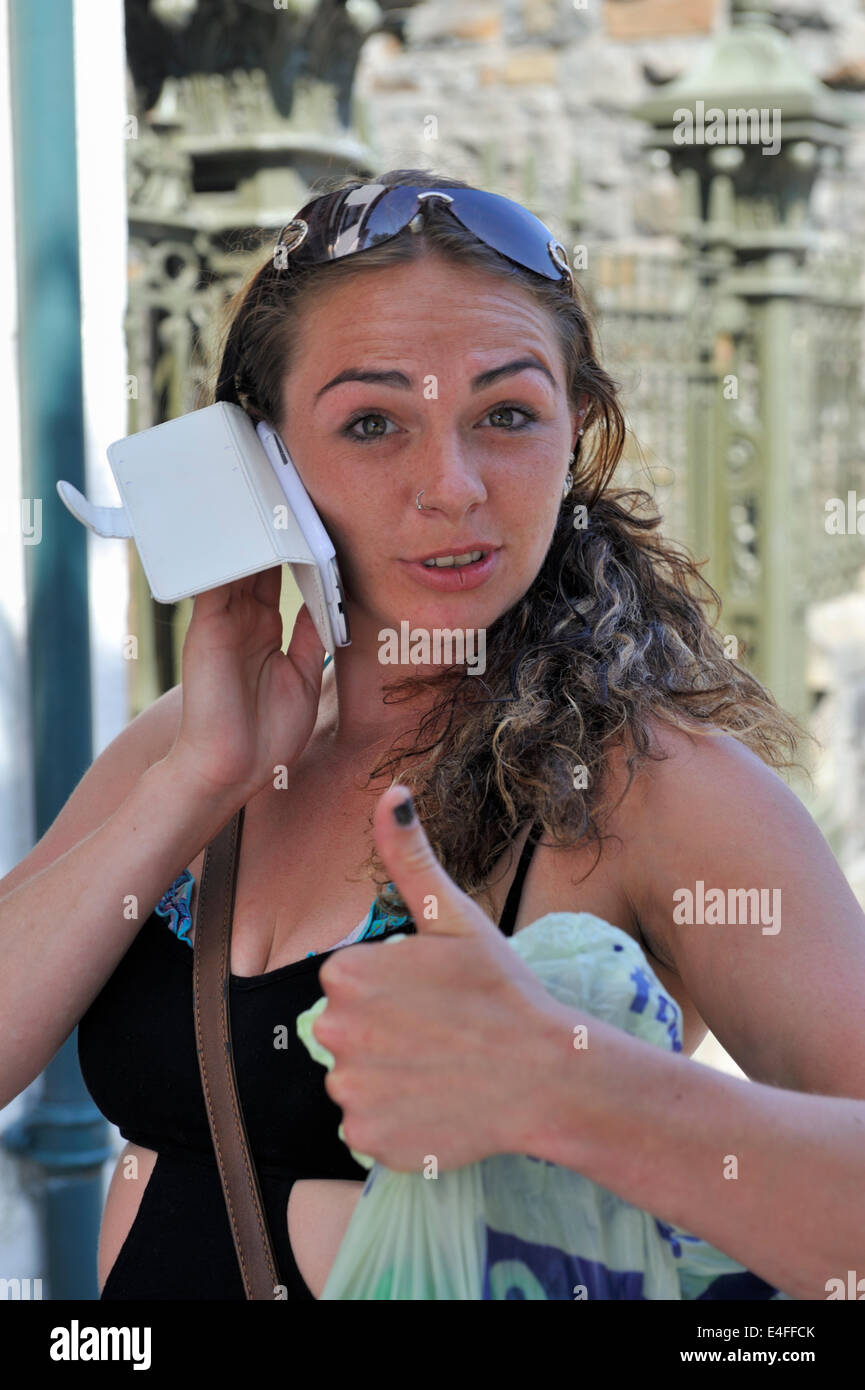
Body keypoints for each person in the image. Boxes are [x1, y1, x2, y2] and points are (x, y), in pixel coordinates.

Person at [2, 168, 864, 1302]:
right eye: (372, 423)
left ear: (574, 433)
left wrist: (575, 1092)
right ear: (261, 459)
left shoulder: (654, 789)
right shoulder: (188, 747)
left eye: (505, 413)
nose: (451, 486)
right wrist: (195, 780)